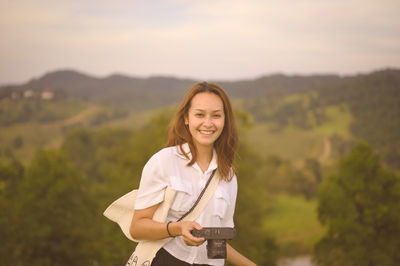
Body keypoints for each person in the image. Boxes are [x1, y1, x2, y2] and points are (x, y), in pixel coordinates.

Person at [130, 82, 256, 266]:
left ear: (225, 121)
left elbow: (217, 244)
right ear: (186, 119)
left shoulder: (228, 176)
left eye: (216, 116)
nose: (208, 123)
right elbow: (137, 227)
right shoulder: (163, 161)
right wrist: (177, 228)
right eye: (199, 114)